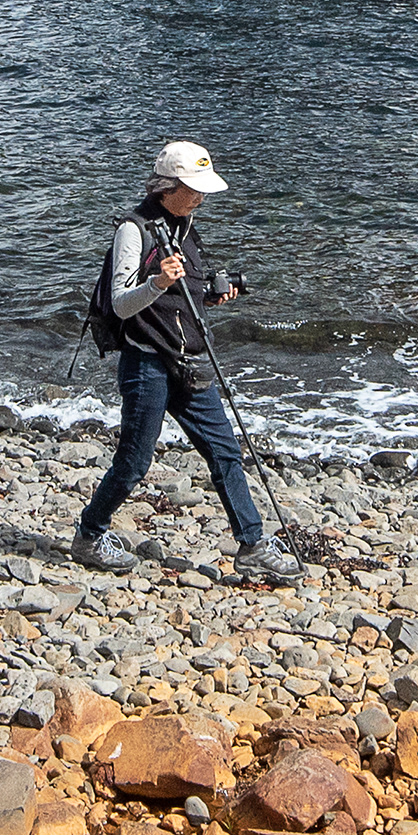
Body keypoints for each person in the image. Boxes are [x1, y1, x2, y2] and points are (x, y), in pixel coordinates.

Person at [75, 141, 305, 583]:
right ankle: (89, 534)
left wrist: (210, 296)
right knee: (135, 462)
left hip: (189, 362)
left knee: (224, 452)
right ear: (168, 187)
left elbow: (183, 298)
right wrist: (159, 283)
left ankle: (252, 545)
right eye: (193, 190)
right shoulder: (133, 230)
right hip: (147, 365)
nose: (201, 197)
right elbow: (122, 304)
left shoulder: (185, 224)